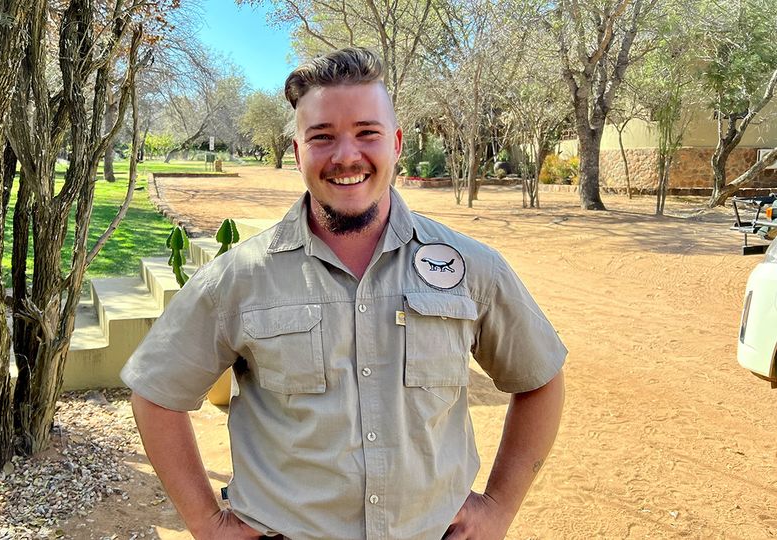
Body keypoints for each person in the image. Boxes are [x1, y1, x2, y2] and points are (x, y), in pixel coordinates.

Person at [122, 47, 566, 540]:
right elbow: (157, 392)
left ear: (395, 143)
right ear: (297, 153)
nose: (347, 156)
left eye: (367, 133)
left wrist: (500, 506)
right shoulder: (240, 278)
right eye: (323, 137)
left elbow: (539, 378)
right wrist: (207, 524)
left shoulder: (471, 268)